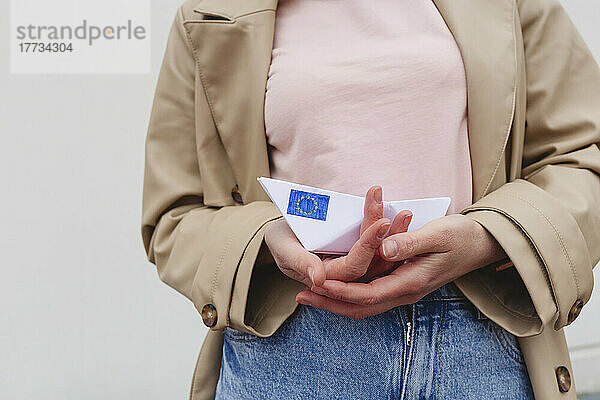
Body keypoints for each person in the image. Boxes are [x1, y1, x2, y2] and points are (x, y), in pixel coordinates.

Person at [141, 0, 600, 399]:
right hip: (294, 347)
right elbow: (174, 215)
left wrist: (486, 238)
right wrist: (267, 242)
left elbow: (583, 159)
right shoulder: (205, 21)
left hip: (480, 342)